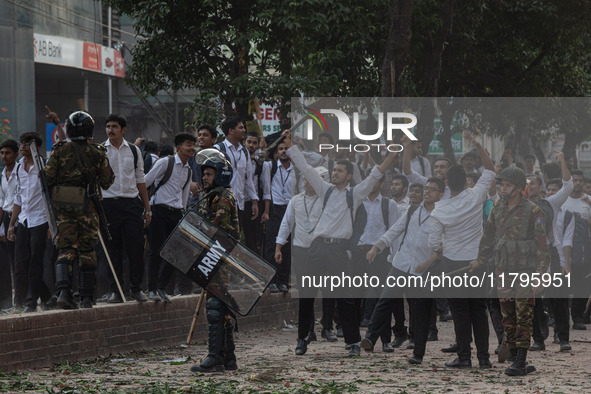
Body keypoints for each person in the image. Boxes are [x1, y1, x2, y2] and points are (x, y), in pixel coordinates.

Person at [283, 129, 399, 357]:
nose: (335, 173)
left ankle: (353, 341)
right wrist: (289, 144)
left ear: (348, 176)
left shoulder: (354, 194)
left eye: (339, 171)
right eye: (334, 170)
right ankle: (303, 338)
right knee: (307, 294)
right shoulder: (324, 189)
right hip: (317, 247)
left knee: (345, 296)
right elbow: (305, 168)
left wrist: (392, 153)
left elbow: (376, 173)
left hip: (338, 249)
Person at [470, 167, 549, 376]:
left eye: (507, 185)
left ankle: (521, 360)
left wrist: (541, 276)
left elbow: (542, 246)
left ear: (518, 188)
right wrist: (480, 259)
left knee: (524, 314)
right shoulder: (497, 207)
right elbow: (488, 236)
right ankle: (514, 357)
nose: (502, 188)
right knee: (508, 314)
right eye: (501, 184)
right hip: (502, 269)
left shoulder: (533, 211)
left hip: (525, 271)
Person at [428, 132, 495, 369]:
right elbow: (490, 171)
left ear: (446, 183)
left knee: (460, 312)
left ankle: (464, 357)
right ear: (467, 181)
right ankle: (484, 358)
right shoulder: (476, 196)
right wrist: (478, 144)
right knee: (478, 309)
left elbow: (434, 244)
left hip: (453, 264)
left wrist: (443, 247)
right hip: (477, 262)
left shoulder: (439, 210)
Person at [362, 178, 446, 362]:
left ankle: (418, 352)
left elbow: (443, 245)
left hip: (424, 270)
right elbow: (394, 230)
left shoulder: (443, 215)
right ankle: (370, 337)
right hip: (401, 264)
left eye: (433, 189)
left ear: (441, 194)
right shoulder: (412, 210)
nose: (427, 192)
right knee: (385, 300)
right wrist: (377, 247)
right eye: (426, 188)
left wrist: (429, 262)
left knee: (420, 311)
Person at [43, 111, 114, 309]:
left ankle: (64, 293)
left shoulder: (58, 151)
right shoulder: (98, 153)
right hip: (88, 209)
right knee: (87, 251)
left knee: (65, 250)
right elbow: (107, 182)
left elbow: (46, 179)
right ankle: (86, 297)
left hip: (64, 209)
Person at [190, 152, 240, 373]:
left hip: (218, 258)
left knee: (215, 308)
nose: (205, 178)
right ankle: (229, 358)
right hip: (211, 257)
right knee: (222, 308)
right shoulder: (210, 196)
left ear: (220, 176)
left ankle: (215, 357)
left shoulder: (223, 198)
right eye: (204, 174)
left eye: (209, 174)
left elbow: (218, 231)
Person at [275, 167, 328, 355]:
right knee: (306, 293)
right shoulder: (295, 201)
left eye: (310, 180)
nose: (306, 183)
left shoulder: (326, 200)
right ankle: (304, 335)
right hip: (301, 250)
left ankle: (327, 327)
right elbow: (286, 223)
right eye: (304, 180)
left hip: (322, 250)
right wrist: (279, 246)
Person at [99, 114, 151, 303]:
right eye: (108, 126)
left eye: (114, 126)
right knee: (113, 250)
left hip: (131, 204)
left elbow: (140, 180)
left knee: (135, 249)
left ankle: (136, 288)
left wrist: (147, 209)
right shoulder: (100, 151)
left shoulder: (134, 151)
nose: (110, 130)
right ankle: (115, 290)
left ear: (123, 130)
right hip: (108, 205)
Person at [526, 151, 572, 351]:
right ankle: (538, 339)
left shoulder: (550, 203)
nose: (529, 186)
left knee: (558, 298)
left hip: (550, 254)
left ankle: (563, 339)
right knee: (532, 299)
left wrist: (562, 161)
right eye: (526, 183)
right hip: (528, 257)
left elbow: (568, 185)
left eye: (533, 183)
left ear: (540, 186)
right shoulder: (517, 205)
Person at [145, 133, 195, 303]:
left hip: (176, 213)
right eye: (189, 144)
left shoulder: (189, 170)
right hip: (158, 210)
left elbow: (185, 196)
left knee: (174, 253)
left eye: (193, 145)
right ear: (179, 147)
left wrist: (183, 215)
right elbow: (145, 182)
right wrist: (146, 208)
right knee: (156, 251)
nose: (192, 148)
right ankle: (151, 289)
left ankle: (161, 287)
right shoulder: (165, 162)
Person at [7, 133, 53, 313]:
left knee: (36, 261)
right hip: (24, 219)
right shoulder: (19, 168)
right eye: (21, 144)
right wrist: (12, 224)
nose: (23, 147)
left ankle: (31, 301)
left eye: (27, 144)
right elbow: (18, 198)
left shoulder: (45, 166)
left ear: (36, 147)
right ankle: (47, 295)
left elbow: (50, 195)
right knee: (21, 262)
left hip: (40, 219)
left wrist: (51, 225)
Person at [261, 140, 295, 293]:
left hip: (290, 210)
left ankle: (283, 280)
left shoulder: (297, 170)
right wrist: (266, 211)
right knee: (271, 245)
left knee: (287, 247)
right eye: (280, 149)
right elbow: (266, 190)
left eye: (286, 149)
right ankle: (271, 280)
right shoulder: (270, 166)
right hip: (274, 210)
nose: (283, 151)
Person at [214, 118, 259, 228]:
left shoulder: (244, 152)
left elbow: (248, 179)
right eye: (241, 127)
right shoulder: (218, 149)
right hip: (221, 204)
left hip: (239, 203)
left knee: (235, 237)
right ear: (231, 131)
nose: (244, 130)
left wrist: (254, 201)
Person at [0, 139, 19, 310]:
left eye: (8, 153)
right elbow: (2, 203)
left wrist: (12, 224)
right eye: (2, 153)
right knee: (10, 262)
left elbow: (19, 201)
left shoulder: (21, 172)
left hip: (20, 219)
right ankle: (9, 302)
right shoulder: (2, 175)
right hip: (7, 219)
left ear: (16, 154)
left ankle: (22, 300)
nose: (4, 156)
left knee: (20, 261)